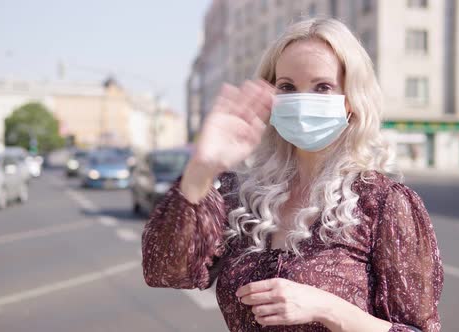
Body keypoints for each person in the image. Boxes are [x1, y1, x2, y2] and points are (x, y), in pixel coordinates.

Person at [142, 18, 443, 332]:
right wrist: (201, 168)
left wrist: (328, 308)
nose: (302, 100)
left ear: (351, 100)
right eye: (287, 86)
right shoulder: (241, 195)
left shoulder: (382, 203)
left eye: (322, 87)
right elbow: (166, 271)